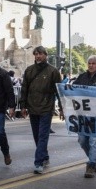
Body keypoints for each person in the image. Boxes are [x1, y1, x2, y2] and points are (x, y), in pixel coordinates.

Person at [20, 46, 63, 174]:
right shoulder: (29, 70)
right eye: (36, 54)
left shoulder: (53, 71)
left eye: (40, 54)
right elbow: (24, 89)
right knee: (36, 136)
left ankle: (38, 163)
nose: (38, 56)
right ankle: (44, 156)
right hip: (32, 108)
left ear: (45, 55)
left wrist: (62, 108)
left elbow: (59, 91)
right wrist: (23, 106)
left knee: (43, 135)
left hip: (46, 108)